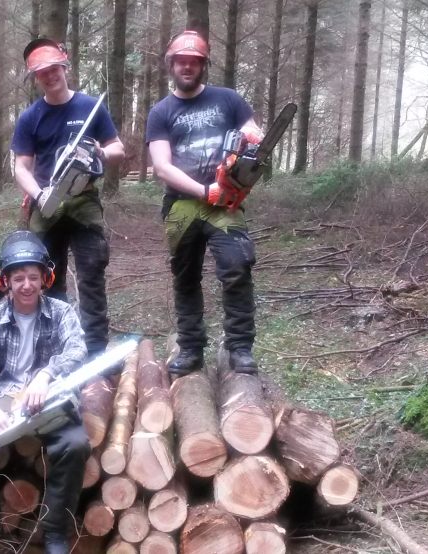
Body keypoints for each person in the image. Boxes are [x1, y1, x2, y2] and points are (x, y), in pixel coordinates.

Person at [0, 231, 89, 554]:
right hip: (6, 396)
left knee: (74, 444)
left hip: (52, 394)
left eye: (33, 277)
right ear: (5, 282)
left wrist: (46, 374)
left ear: (45, 278)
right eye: (18, 278)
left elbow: (78, 350)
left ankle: (55, 531)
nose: (26, 285)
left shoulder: (62, 313)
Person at [145, 30, 265, 375]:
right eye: (181, 61)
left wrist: (250, 140)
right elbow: (162, 166)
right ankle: (191, 347)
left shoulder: (228, 100)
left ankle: (240, 347)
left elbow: (254, 132)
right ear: (171, 65)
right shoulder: (161, 112)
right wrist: (203, 190)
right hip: (181, 203)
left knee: (237, 266)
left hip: (225, 200)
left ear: (203, 65)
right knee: (185, 275)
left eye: (194, 62)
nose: (187, 67)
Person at [11, 38, 125, 357]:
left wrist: (100, 152)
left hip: (83, 200)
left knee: (91, 271)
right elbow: (21, 167)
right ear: (36, 78)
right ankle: (54, 346)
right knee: (46, 276)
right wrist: (39, 194)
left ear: (64, 67)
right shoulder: (30, 117)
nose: (50, 76)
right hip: (46, 201)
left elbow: (118, 149)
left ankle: (95, 349)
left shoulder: (90, 107)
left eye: (54, 69)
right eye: (42, 72)